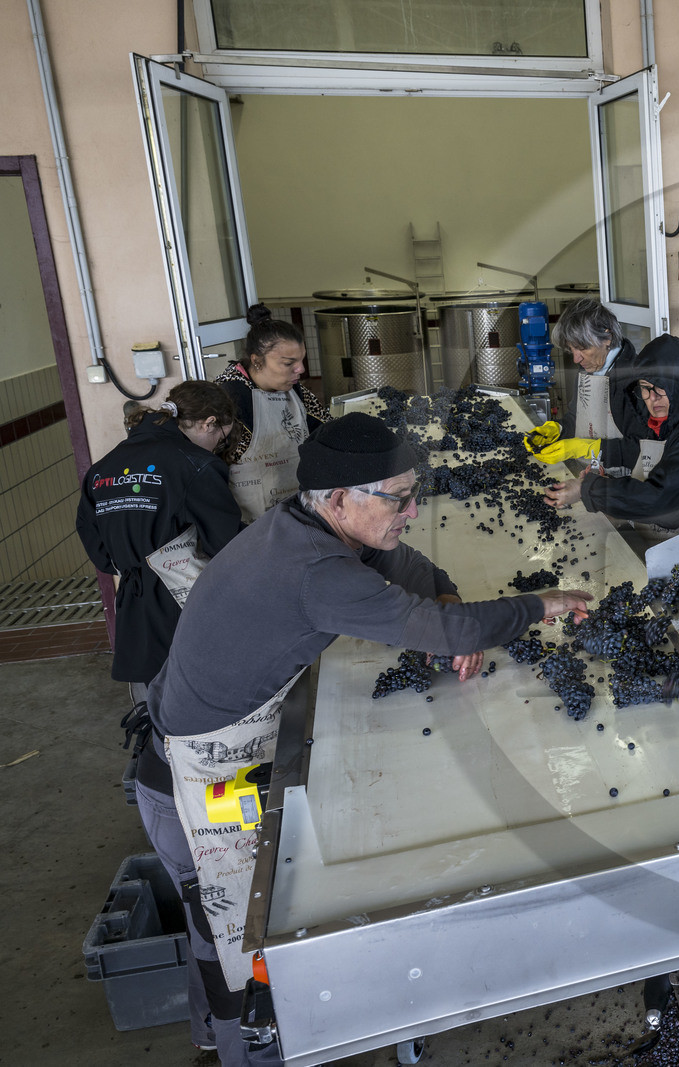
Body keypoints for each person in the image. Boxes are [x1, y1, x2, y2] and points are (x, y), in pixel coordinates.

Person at [132, 412, 591, 1065]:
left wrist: (446, 600)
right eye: (398, 498)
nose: (413, 510)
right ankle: (239, 1049)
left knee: (218, 926)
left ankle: (212, 1031)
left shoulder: (314, 524)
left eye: (413, 493)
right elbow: (447, 630)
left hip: (212, 748)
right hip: (198, 783)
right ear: (343, 498)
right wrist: (545, 603)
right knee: (246, 954)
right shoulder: (314, 568)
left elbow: (410, 566)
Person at [76, 380, 243, 701]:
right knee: (199, 698)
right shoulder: (196, 465)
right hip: (186, 600)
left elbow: (96, 545)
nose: (216, 448)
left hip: (133, 602)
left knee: (151, 700)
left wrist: (134, 561)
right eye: (221, 438)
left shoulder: (102, 469)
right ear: (209, 423)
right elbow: (226, 545)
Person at [543, 340, 679, 531]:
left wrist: (587, 489)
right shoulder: (667, 423)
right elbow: (651, 472)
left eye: (661, 387)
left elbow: (661, 504)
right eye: (645, 388)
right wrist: (605, 480)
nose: (652, 398)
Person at [528, 298, 679, 474]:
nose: (576, 358)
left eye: (582, 348)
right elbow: (578, 418)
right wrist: (558, 429)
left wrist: (588, 448)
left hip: (625, 483)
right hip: (588, 477)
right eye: (571, 349)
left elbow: (648, 450)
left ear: (608, 337)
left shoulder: (637, 382)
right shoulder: (587, 369)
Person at [217, 303, 331, 521]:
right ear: (257, 361)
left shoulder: (294, 389)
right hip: (251, 522)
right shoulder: (228, 398)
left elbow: (325, 428)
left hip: (297, 509)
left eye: (301, 360)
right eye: (289, 363)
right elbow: (210, 468)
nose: (301, 369)